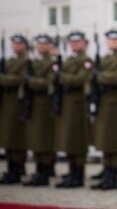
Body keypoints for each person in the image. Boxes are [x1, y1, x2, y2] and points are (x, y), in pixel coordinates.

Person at [90, 29, 117, 191]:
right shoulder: (103, 59)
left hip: (115, 104)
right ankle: (106, 173)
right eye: (110, 40)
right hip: (103, 103)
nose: (113, 42)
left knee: (114, 142)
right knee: (105, 142)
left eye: (116, 39)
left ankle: (113, 176)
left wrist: (100, 76)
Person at [54, 31, 94, 188]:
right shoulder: (69, 59)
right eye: (72, 42)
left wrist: (61, 76)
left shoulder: (86, 60)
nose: (74, 44)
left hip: (78, 103)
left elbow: (80, 79)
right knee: (69, 140)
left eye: (78, 42)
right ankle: (72, 172)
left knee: (77, 141)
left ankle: (78, 176)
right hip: (67, 103)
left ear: (84, 43)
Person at [21, 34, 57, 186]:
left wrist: (31, 81)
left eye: (44, 44)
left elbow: (48, 82)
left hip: (45, 104)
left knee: (44, 140)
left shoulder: (53, 63)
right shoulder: (34, 62)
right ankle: (39, 171)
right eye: (39, 44)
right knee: (36, 139)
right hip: (34, 104)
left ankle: (44, 172)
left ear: (49, 46)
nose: (41, 47)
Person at [0, 34, 31, 185]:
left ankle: (16, 169)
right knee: (8, 137)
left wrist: (3, 79)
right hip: (7, 103)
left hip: (17, 102)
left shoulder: (26, 61)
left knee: (16, 137)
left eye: (19, 44)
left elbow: (20, 79)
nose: (16, 46)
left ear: (25, 45)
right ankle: (12, 167)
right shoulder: (9, 61)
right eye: (14, 44)